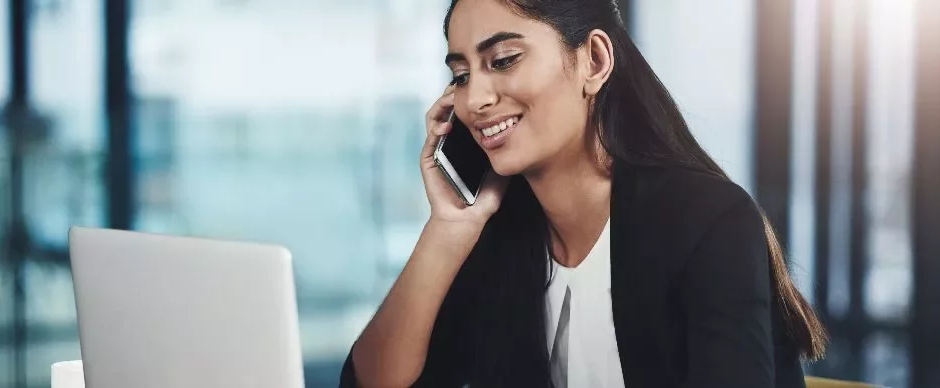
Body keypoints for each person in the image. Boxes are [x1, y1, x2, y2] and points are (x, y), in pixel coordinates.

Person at [340, 0, 828, 387]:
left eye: (504, 60)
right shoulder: (500, 233)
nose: (475, 100)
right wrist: (447, 230)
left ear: (594, 60)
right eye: (461, 75)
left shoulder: (708, 223)